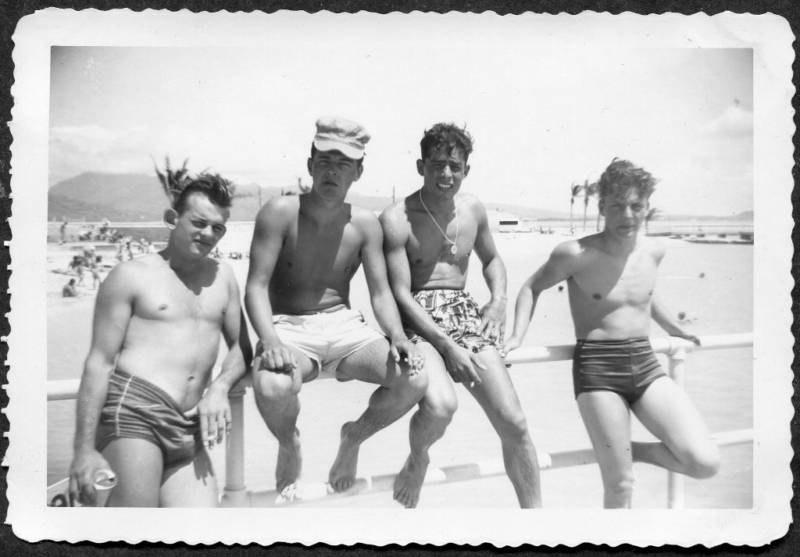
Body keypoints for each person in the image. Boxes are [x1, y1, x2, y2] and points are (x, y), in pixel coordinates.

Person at [504, 158, 719, 508]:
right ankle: (618, 464)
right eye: (617, 206)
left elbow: (644, 294)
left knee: (705, 462)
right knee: (620, 484)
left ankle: (628, 451)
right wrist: (516, 337)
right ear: (602, 206)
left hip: (645, 364)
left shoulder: (655, 251)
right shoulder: (576, 253)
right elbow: (531, 287)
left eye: (636, 206)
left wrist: (672, 327)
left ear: (647, 206)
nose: (627, 215)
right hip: (597, 370)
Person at [245, 117, 427, 499]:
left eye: (344, 163)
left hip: (345, 327)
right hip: (289, 327)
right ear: (310, 165)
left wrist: (397, 336)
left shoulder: (365, 224)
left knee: (414, 378)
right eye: (325, 160)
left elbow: (380, 294)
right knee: (272, 385)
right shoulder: (279, 212)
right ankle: (288, 441)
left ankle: (353, 437)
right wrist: (270, 340)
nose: (332, 171)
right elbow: (256, 287)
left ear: (358, 172)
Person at [380, 123, 541, 508]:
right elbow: (400, 293)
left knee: (515, 423)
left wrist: (498, 299)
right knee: (439, 408)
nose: (446, 174)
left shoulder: (473, 209)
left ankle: (536, 522)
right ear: (421, 166)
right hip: (417, 319)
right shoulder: (397, 218)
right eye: (437, 164)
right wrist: (446, 346)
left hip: (464, 315)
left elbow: (492, 260)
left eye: (455, 166)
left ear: (467, 169)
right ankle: (418, 458)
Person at [68, 171, 251, 507]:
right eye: (199, 223)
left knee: (201, 531)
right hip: (135, 414)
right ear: (171, 219)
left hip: (189, 424)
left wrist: (220, 388)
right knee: (135, 526)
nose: (208, 234)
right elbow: (99, 362)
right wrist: (83, 450)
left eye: (218, 228)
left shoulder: (223, 276)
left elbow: (242, 347)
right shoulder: (131, 276)